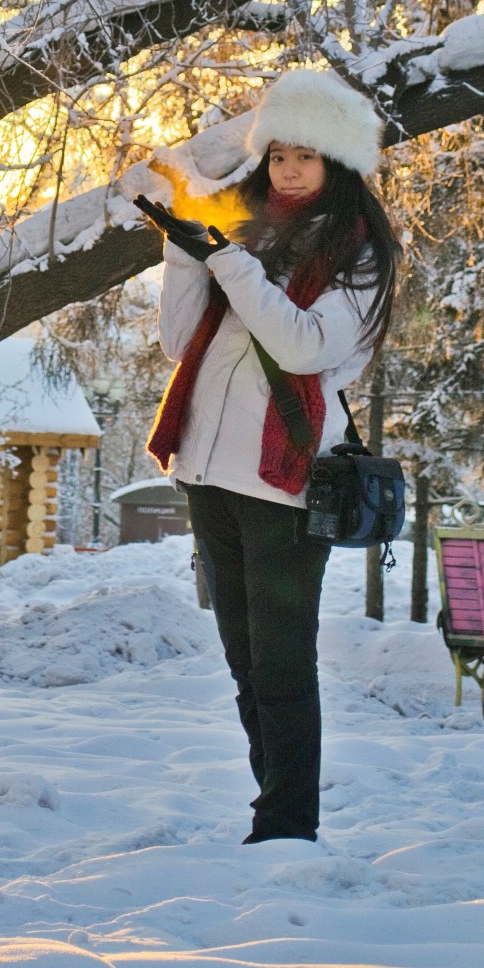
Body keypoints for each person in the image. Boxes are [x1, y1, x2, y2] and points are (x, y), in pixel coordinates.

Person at [143, 69, 398, 845]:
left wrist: (225, 260)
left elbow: (300, 344)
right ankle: (274, 805)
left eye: (307, 156)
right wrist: (189, 252)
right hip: (208, 469)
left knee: (282, 664)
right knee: (244, 660)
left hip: (285, 482)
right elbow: (179, 342)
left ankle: (288, 825)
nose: (288, 168)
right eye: (279, 153)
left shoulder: (357, 254)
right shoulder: (246, 237)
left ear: (339, 166)